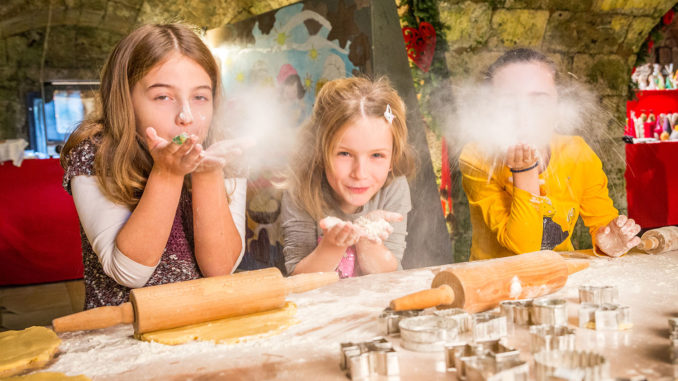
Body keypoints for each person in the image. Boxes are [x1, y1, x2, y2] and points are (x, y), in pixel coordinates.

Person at [61, 24, 247, 309]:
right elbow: (129, 272)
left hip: (203, 322)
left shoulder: (222, 153)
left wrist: (207, 172)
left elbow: (219, 269)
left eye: (200, 97)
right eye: (163, 97)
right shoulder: (96, 154)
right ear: (126, 100)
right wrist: (168, 173)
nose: (187, 117)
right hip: (122, 335)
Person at [459, 48, 641, 261]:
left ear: (558, 108)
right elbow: (525, 247)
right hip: (493, 284)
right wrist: (525, 171)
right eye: (508, 102)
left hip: (559, 281)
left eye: (538, 100)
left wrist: (610, 241)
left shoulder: (578, 153)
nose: (523, 113)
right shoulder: (477, 157)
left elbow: (602, 222)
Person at [281, 77, 416, 277]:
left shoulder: (394, 187)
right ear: (320, 152)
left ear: (393, 158)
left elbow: (389, 273)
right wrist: (333, 245)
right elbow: (297, 277)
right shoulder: (301, 191)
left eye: (377, 155)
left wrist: (366, 236)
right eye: (344, 154)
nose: (360, 173)